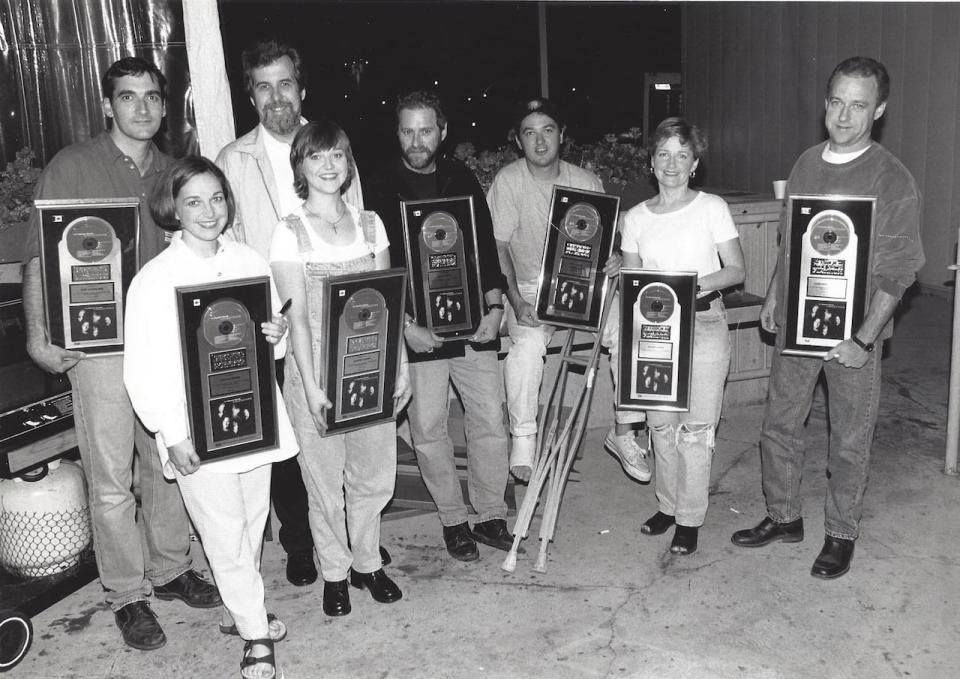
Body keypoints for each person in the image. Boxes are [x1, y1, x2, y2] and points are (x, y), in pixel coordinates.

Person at [20, 57, 219, 651]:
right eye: (128, 97)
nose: (142, 108)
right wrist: (36, 336)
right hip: (99, 351)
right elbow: (38, 256)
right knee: (111, 480)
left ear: (164, 105)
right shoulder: (72, 166)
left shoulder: (175, 171)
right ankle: (128, 595)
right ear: (108, 105)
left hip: (163, 343)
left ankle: (171, 568)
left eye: (152, 97)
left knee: (164, 461)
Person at [731, 57, 924, 579]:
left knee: (848, 438)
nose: (843, 114)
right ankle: (783, 516)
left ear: (878, 110)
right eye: (836, 101)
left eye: (858, 104)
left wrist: (863, 339)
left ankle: (841, 533)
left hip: (852, 338)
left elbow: (900, 272)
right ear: (825, 102)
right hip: (798, 324)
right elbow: (791, 243)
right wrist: (775, 293)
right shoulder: (806, 163)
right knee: (779, 425)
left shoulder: (891, 177)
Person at [124, 157, 296, 679]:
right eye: (194, 200)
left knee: (250, 524)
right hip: (195, 429)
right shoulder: (154, 280)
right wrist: (170, 433)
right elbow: (142, 370)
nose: (207, 211)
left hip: (251, 418)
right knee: (221, 532)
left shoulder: (249, 260)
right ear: (172, 208)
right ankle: (255, 635)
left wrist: (276, 336)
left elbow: (268, 345)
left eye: (216, 198)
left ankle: (238, 607)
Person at [215, 39, 365, 587]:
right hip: (269, 325)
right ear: (250, 95)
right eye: (263, 85)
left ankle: (352, 543)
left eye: (285, 83)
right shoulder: (235, 159)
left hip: (336, 326)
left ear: (301, 88)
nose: (276, 95)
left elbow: (360, 225)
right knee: (287, 445)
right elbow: (225, 239)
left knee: (345, 433)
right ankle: (301, 544)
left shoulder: (332, 148)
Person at [270, 120, 411, 617]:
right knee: (324, 482)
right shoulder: (288, 233)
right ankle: (334, 571)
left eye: (337, 156)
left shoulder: (372, 225)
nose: (328, 166)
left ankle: (367, 563)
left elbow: (389, 305)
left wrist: (399, 368)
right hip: (316, 375)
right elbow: (298, 319)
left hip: (369, 371)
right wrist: (309, 386)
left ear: (348, 163)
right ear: (301, 167)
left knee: (375, 476)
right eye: (316, 157)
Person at [366, 91, 512, 562]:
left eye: (425, 130)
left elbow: (486, 252)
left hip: (473, 326)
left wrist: (494, 309)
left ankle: (490, 513)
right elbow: (379, 269)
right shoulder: (379, 186)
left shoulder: (462, 177)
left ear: (442, 132)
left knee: (490, 419)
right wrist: (406, 325)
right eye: (407, 130)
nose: (416, 140)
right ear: (397, 133)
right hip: (420, 331)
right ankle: (453, 520)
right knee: (428, 429)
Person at [487, 97, 641, 484]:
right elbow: (497, 247)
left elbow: (605, 240)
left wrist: (615, 258)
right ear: (518, 141)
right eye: (529, 133)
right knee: (527, 347)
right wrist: (515, 300)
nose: (540, 142)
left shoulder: (586, 182)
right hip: (526, 288)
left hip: (583, 286)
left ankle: (624, 431)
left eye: (548, 130)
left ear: (563, 135)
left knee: (628, 328)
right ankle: (523, 437)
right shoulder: (508, 180)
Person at [617, 117, 745, 556]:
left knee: (695, 428)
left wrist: (692, 287)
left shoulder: (712, 207)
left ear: (694, 164)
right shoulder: (633, 219)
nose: (673, 164)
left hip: (705, 324)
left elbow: (736, 269)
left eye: (683, 155)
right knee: (660, 426)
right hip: (654, 330)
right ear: (652, 162)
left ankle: (690, 518)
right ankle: (668, 506)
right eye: (664, 154)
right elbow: (633, 280)